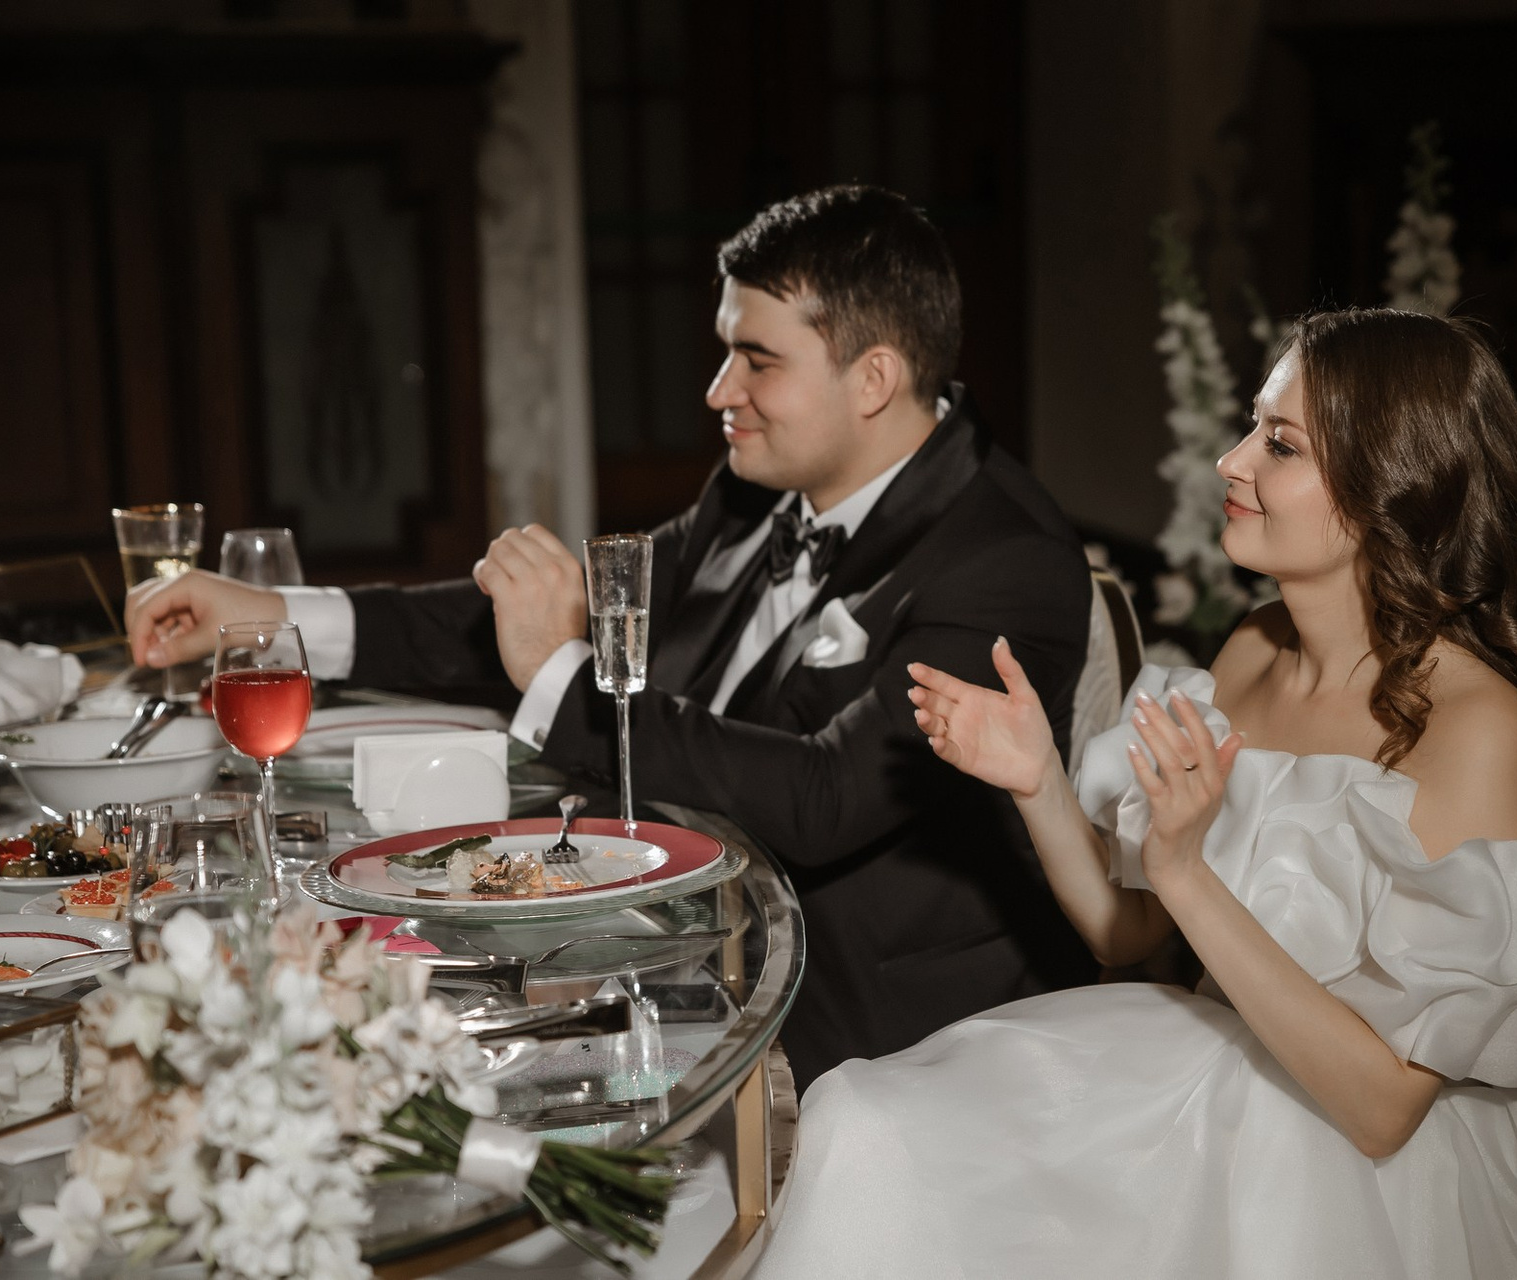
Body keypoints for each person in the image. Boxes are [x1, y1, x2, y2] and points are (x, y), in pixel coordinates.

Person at [125, 185, 1095, 1086]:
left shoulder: (1004, 560)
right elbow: (524, 614)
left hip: (867, 1030)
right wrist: (274, 619)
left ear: (874, 377)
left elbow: (824, 797)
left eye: (757, 360)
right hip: (655, 941)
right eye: (725, 352)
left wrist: (561, 670)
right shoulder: (753, 492)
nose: (720, 390)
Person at [752, 308, 1517, 1279]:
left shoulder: (1477, 729)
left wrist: (1186, 872)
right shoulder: (1253, 649)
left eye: (1281, 444)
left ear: (1392, 485)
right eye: (1253, 426)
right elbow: (1123, 932)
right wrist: (1037, 776)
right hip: (1190, 1068)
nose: (1232, 460)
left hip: (1357, 1169)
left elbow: (1384, 1108)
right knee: (875, 1122)